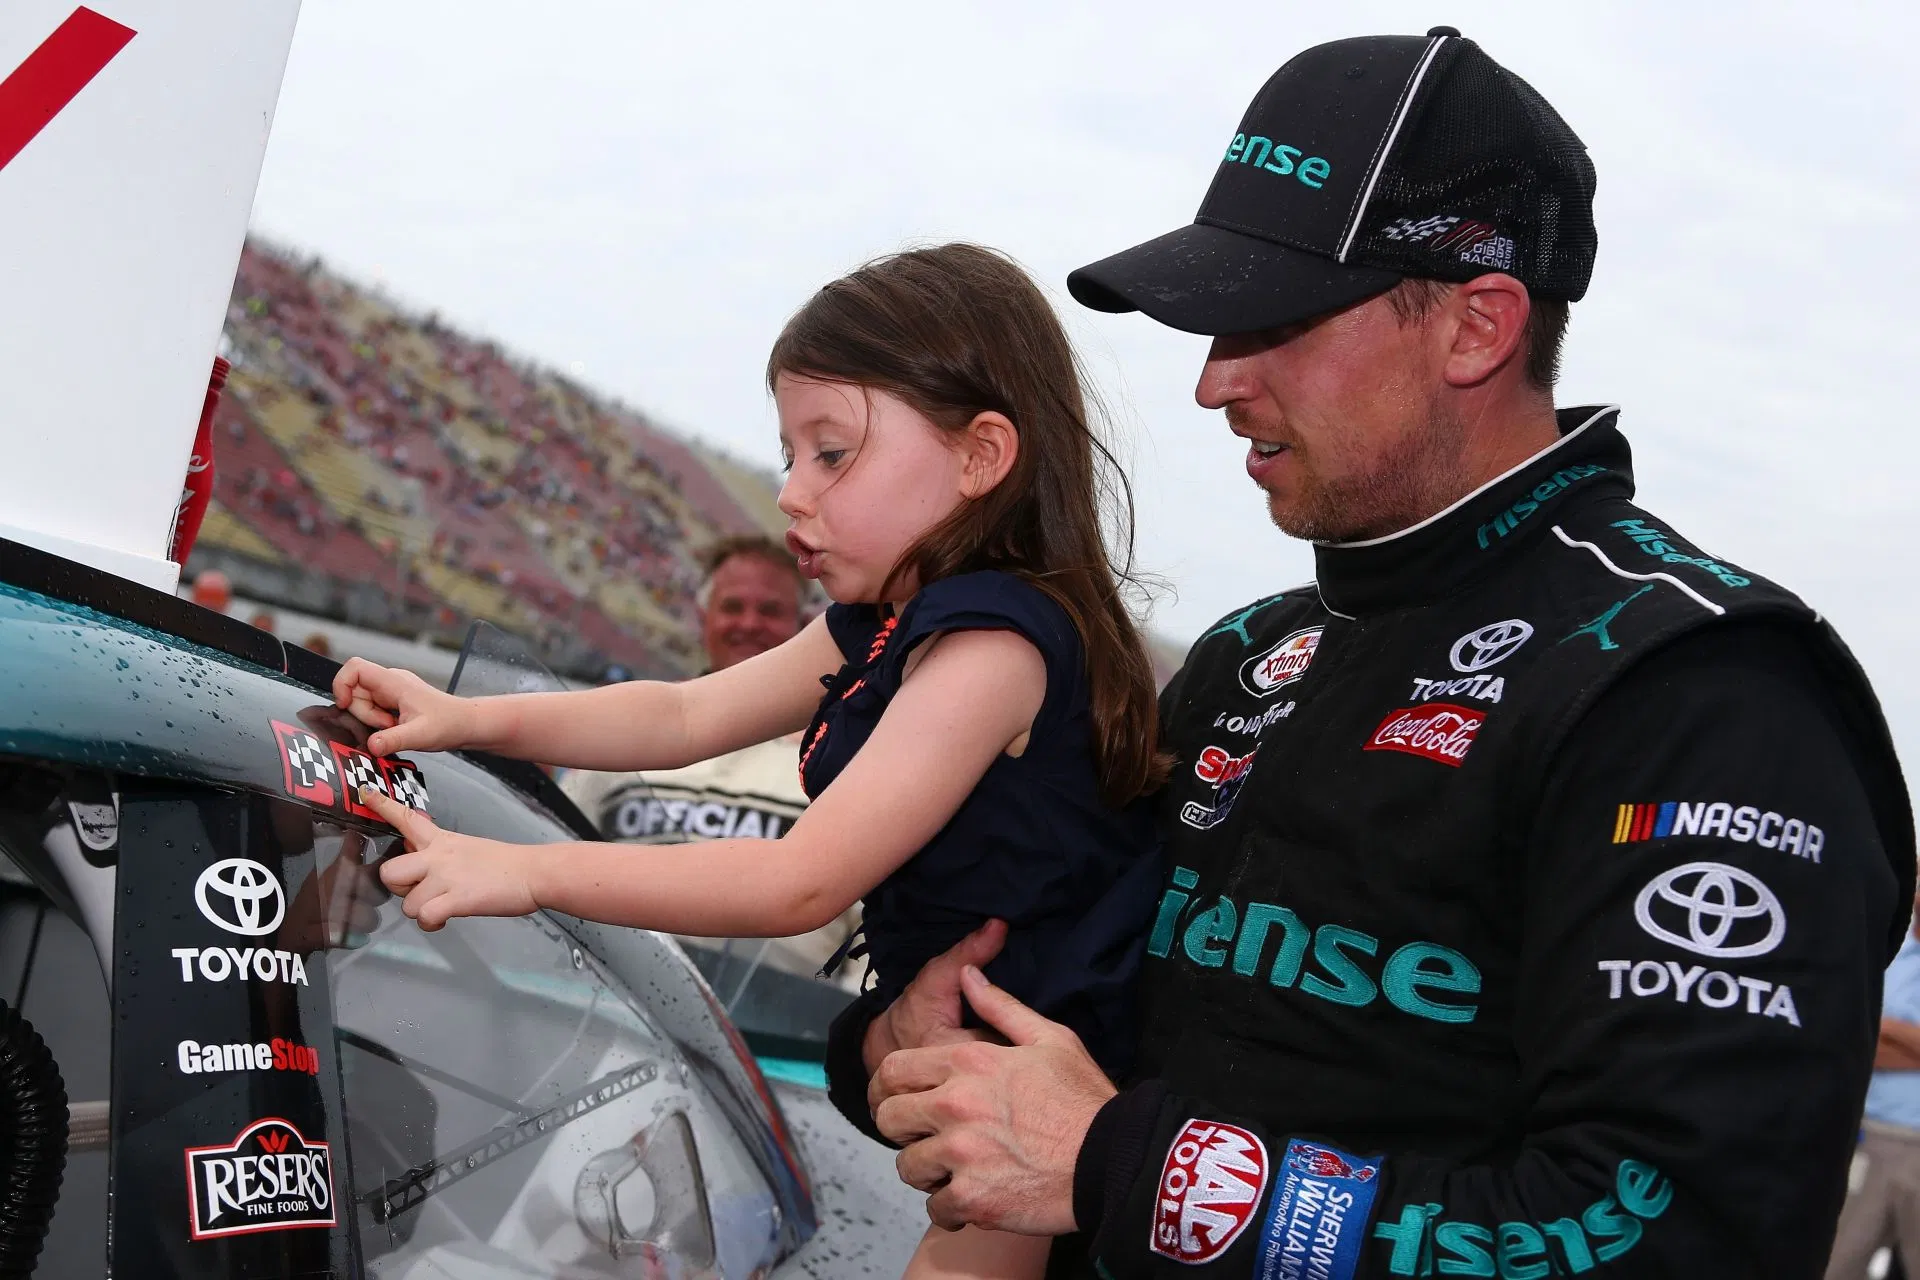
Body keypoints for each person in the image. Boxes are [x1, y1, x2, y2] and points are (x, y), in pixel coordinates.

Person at [836, 28, 1916, 1280]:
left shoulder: (1702, 687)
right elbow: (1065, 1031)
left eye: (1270, 320)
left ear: (1476, 327)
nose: (1212, 381)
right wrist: (900, 1046)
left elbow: (1672, 1235)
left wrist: (1124, 1166)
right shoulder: (1251, 652)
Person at [333, 244, 1166, 1279]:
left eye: (831, 453)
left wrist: (519, 868)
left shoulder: (991, 648)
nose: (790, 494)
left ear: (980, 454)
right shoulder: (881, 621)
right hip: (954, 1044)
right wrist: (466, 717)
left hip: (1027, 1052)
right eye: (789, 454)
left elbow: (795, 879)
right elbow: (681, 712)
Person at [563, 534, 864, 987]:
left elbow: (872, 931)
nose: (749, 623)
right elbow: (555, 851)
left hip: (776, 1038)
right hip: (605, 1005)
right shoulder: (626, 735)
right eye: (732, 606)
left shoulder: (846, 756)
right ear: (704, 618)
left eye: (770, 611)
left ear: (806, 624)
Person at [1828, 892, 1920, 1279]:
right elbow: (1846, 1036)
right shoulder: (1887, 952)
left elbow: (1866, 1029)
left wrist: (1884, 1025)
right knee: (1837, 1264)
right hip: (1871, 1141)